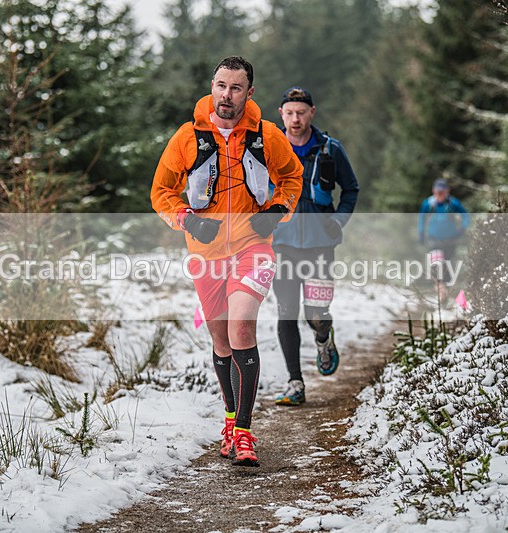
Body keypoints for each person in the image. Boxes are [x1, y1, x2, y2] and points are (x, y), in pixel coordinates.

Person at [150, 57, 302, 467]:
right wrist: (186, 220)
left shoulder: (266, 135)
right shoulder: (187, 137)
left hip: (253, 246)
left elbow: (292, 178)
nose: (226, 95)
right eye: (221, 85)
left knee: (241, 328)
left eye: (236, 88)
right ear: (212, 86)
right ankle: (231, 418)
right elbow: (161, 192)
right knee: (221, 342)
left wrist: (275, 211)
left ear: (249, 93)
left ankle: (245, 433)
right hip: (206, 254)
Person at [270, 86, 359, 406]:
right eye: (289, 113)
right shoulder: (269, 148)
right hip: (281, 243)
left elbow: (351, 189)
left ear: (312, 113)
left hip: (321, 244)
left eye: (301, 112)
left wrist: (337, 221)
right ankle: (295, 383)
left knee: (317, 313)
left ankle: (324, 336)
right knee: (286, 313)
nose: (295, 119)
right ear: (281, 114)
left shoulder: (330, 149)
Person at [417, 178, 470, 301]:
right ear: (433, 191)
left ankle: (446, 291)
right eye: (437, 192)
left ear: (447, 191)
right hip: (433, 240)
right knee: (436, 265)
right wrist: (421, 233)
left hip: (450, 240)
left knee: (446, 266)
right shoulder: (428, 204)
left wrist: (462, 229)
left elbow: (466, 216)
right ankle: (441, 292)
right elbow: (421, 219)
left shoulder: (453, 204)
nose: (439, 195)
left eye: (442, 192)